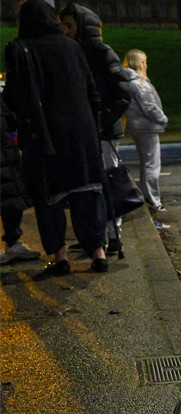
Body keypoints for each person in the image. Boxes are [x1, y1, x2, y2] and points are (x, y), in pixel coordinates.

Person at [4, 0, 108, 274]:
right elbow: (91, 90)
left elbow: (15, 96)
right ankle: (97, 252)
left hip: (45, 137)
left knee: (48, 197)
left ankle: (60, 256)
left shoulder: (21, 49)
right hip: (82, 135)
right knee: (87, 192)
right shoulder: (72, 46)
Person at [59, 2, 131, 255]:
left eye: (69, 25)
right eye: (62, 26)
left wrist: (101, 122)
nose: (65, 30)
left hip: (103, 132)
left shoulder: (101, 52)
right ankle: (97, 234)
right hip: (86, 132)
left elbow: (122, 94)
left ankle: (114, 236)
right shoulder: (72, 53)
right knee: (90, 185)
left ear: (82, 26)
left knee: (108, 181)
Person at [122, 49, 168, 212]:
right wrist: (162, 118)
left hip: (137, 126)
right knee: (152, 166)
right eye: (144, 62)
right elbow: (149, 107)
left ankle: (149, 198)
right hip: (146, 127)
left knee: (146, 164)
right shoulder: (139, 83)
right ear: (138, 64)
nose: (146, 65)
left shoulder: (128, 81)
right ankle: (153, 200)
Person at [1, 94, 42, 266]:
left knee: (12, 201)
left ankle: (13, 241)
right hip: (5, 149)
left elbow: (10, 119)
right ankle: (13, 241)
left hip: (5, 151)